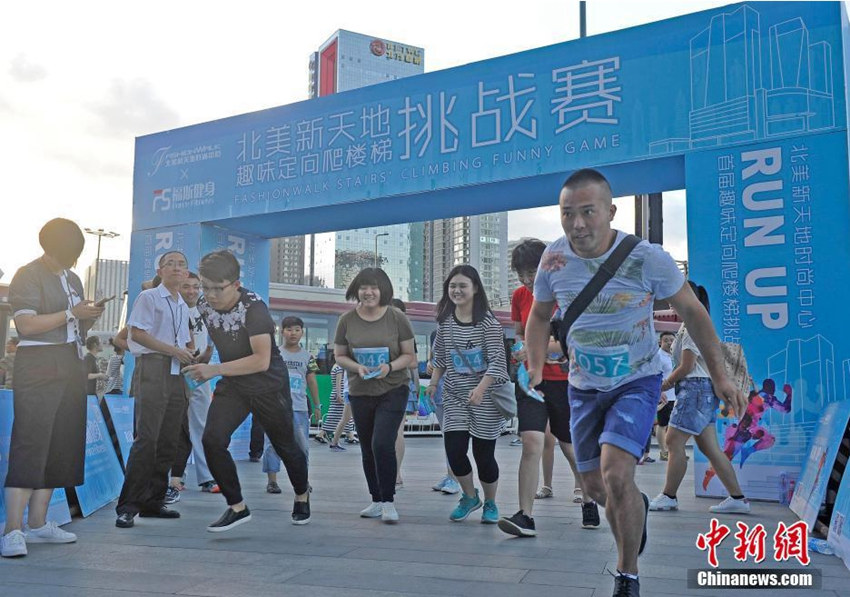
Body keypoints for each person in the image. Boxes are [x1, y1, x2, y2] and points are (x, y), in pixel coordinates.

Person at [524, 169, 747, 597]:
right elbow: (539, 315)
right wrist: (536, 362)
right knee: (595, 486)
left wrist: (720, 375)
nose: (577, 224)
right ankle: (634, 508)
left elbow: (693, 313)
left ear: (610, 210)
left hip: (637, 383)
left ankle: (627, 574)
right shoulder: (553, 259)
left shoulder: (648, 258)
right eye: (567, 214)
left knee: (615, 472)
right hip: (583, 387)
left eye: (588, 212)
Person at [183, 250, 310, 531]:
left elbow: (261, 360)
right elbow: (218, 334)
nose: (211, 294)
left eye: (219, 288)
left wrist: (214, 370)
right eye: (206, 286)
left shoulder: (254, 308)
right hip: (235, 383)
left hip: (268, 385)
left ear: (236, 284)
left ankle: (302, 495)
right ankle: (237, 506)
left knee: (286, 446)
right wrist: (206, 355)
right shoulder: (204, 305)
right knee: (212, 440)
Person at [2, 218, 104, 558]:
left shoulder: (72, 277)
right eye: (65, 254)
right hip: (39, 363)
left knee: (60, 441)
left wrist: (89, 315)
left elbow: (74, 321)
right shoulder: (28, 274)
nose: (69, 262)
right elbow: (27, 324)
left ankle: (38, 523)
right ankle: (12, 529)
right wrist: (70, 312)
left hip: (71, 361)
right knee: (32, 440)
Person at [499, 239, 596, 538]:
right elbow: (519, 332)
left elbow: (569, 342)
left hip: (565, 383)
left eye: (531, 271)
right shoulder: (519, 296)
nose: (527, 280)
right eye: (521, 275)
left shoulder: (565, 294)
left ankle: (589, 499)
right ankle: (525, 515)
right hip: (530, 380)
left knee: (569, 445)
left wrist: (534, 348)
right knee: (531, 441)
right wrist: (521, 348)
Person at [649, 281, 751, 515]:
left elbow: (687, 366)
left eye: (674, 295)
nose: (671, 301)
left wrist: (665, 384)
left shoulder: (692, 325)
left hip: (695, 390)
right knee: (710, 448)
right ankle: (738, 498)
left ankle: (669, 495)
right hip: (701, 391)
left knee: (673, 440)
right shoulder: (692, 324)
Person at [115, 251, 194, 529]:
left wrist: (189, 353)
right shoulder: (148, 297)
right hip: (152, 369)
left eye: (181, 264)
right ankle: (128, 506)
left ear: (186, 273)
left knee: (168, 440)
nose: (176, 268)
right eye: (170, 264)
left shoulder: (182, 304)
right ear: (159, 270)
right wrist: (174, 350)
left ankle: (153, 501)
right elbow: (137, 333)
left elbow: (184, 342)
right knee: (147, 439)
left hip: (175, 374)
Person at [425, 265, 508, 525]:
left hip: (486, 397)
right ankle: (470, 497)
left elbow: (497, 362)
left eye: (462, 286)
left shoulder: (488, 324)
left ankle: (491, 502)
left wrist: (481, 389)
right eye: (452, 286)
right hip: (455, 396)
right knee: (455, 450)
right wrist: (433, 383)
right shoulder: (445, 324)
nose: (457, 290)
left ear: (474, 289)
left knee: (484, 455)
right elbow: (440, 358)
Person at [333, 268, 416, 523]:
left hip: (393, 388)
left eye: (374, 287)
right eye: (363, 287)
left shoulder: (397, 317)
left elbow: (410, 356)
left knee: (382, 443)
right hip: (360, 391)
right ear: (356, 290)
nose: (368, 292)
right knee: (368, 447)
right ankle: (376, 499)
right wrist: (356, 367)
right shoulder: (346, 320)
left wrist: (388, 367)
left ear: (384, 290)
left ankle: (389, 501)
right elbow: (340, 355)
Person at [167, 271, 218, 500]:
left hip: (197, 373)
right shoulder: (171, 306)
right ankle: (174, 476)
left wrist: (207, 354)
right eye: (187, 286)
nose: (192, 291)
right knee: (174, 427)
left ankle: (207, 476)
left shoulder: (206, 310)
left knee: (201, 423)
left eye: (196, 287)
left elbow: (208, 345)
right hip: (172, 373)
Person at [264, 316, 320, 494]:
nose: (293, 333)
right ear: (282, 332)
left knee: (302, 446)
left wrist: (317, 406)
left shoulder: (308, 357)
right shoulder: (274, 354)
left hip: (299, 408)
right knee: (272, 444)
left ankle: (303, 481)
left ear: (302, 332)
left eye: (297, 329)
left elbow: (312, 381)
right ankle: (272, 481)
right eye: (289, 329)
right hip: (275, 408)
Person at [390, 298, 420, 489]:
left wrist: (389, 364)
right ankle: (393, 473)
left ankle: (396, 472)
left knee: (396, 431)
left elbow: (413, 363)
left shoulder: (404, 334)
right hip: (386, 385)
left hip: (398, 385)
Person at [323, 363, 357, 451]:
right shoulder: (340, 368)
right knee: (345, 418)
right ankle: (334, 441)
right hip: (348, 393)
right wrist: (339, 395)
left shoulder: (339, 367)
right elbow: (338, 383)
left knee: (346, 418)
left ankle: (346, 437)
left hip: (346, 393)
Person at [655, 331, 676, 460]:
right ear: (660, 342)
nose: (669, 342)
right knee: (662, 424)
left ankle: (673, 451)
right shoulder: (658, 357)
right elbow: (654, 376)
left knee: (673, 425)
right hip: (664, 396)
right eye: (666, 340)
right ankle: (663, 451)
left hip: (677, 395)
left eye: (671, 340)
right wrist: (660, 391)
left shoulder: (676, 355)